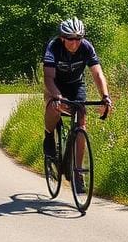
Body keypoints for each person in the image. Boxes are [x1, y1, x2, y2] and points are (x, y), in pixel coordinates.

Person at [42, 17, 112, 193]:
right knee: (54, 107)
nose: (74, 43)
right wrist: (57, 96)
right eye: (70, 39)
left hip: (76, 85)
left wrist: (105, 96)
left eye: (78, 38)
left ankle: (78, 173)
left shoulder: (86, 47)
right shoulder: (53, 47)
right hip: (56, 84)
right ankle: (49, 135)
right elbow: (48, 77)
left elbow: (97, 73)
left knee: (81, 126)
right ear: (62, 38)